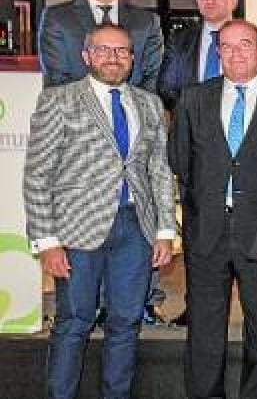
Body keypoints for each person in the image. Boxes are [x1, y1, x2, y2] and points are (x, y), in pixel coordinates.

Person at [25, 24, 176, 399]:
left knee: (125, 324)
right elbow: (37, 173)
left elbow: (157, 170)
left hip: (134, 230)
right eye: (104, 50)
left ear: (132, 58)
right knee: (73, 323)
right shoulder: (58, 100)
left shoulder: (149, 104)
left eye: (122, 51)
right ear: (86, 56)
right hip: (76, 231)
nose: (114, 57)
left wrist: (165, 230)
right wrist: (47, 241)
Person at [168, 19, 257, 399]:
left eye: (245, 45)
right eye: (226, 46)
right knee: (205, 330)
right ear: (217, 53)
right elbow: (179, 159)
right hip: (207, 230)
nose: (236, 53)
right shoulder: (194, 98)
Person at [38, 0, 163, 90]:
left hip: (132, 109)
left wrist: (131, 109)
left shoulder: (147, 22)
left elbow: (152, 77)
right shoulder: (58, 18)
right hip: (76, 110)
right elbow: (57, 78)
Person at [158, 0, 257, 111]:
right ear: (197, 0)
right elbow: (166, 88)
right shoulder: (179, 40)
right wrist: (192, 114)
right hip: (193, 125)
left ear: (234, 0)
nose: (210, 0)